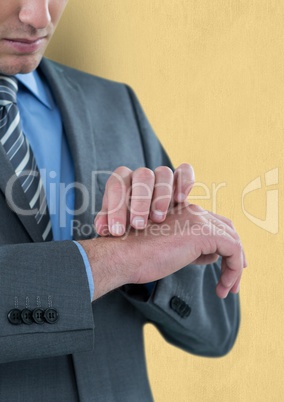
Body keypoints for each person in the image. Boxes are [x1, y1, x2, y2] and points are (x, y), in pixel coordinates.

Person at [0, 1, 246, 401]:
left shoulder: (115, 105)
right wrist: (114, 260)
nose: (38, 17)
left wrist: (155, 263)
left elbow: (217, 331)